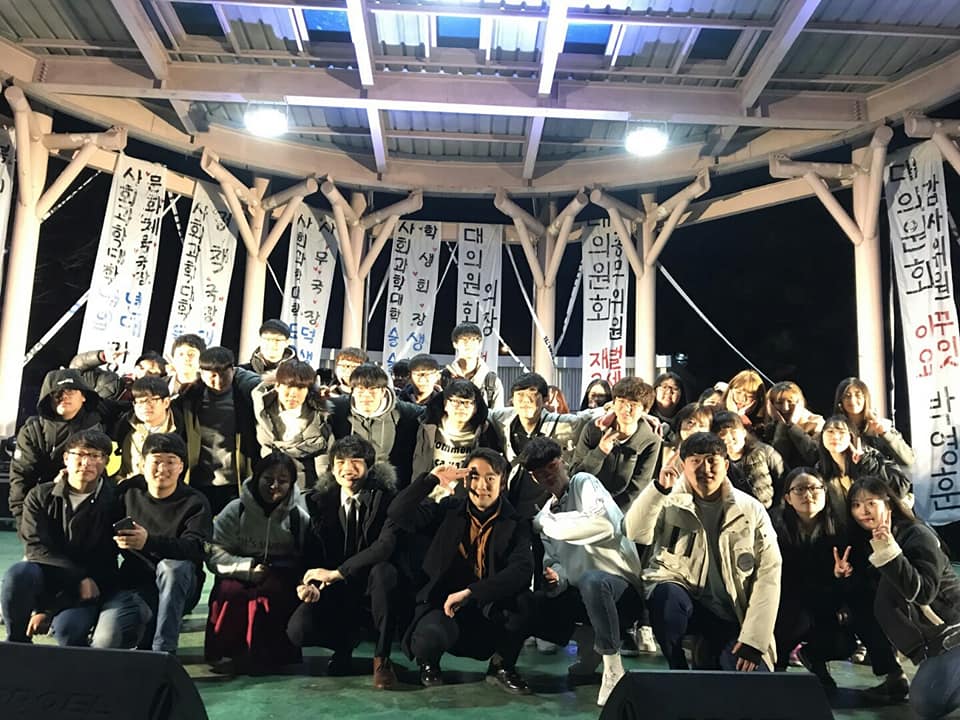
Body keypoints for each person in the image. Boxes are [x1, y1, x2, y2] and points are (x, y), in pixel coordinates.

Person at [625, 432, 782, 672]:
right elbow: (635, 532)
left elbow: (768, 575)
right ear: (683, 465)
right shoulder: (667, 500)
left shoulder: (751, 510)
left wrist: (754, 640)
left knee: (748, 680)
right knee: (666, 597)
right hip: (687, 600)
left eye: (712, 460)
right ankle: (678, 670)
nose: (705, 468)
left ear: (726, 465)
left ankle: (707, 652)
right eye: (696, 461)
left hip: (733, 612)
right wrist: (658, 489)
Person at [389, 448, 534, 693]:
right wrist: (430, 480)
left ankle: (502, 666)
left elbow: (522, 569)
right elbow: (398, 513)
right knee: (429, 638)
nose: (482, 485)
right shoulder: (447, 510)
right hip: (445, 607)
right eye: (474, 477)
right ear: (465, 481)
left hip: (488, 608)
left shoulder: (516, 522)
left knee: (526, 602)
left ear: (502, 483)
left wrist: (471, 593)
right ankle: (429, 664)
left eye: (490, 478)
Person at [522, 437, 644, 706]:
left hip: (622, 594)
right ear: (533, 478)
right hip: (586, 597)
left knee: (593, 581)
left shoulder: (584, 483)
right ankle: (590, 646)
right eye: (540, 473)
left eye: (552, 467)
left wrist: (548, 524)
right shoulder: (547, 513)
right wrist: (557, 578)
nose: (548, 476)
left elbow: (603, 526)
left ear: (563, 462)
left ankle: (613, 669)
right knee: (529, 605)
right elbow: (556, 562)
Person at [288, 436, 401, 689]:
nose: (347, 468)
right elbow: (310, 554)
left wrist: (338, 572)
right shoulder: (317, 502)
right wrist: (309, 585)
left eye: (356, 461)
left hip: (374, 586)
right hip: (335, 589)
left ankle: (382, 659)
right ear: (331, 467)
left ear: (369, 467)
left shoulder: (387, 499)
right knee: (298, 629)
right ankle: (343, 646)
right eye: (340, 462)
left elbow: (385, 547)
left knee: (385, 572)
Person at [849, 476, 960, 717]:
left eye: (870, 503)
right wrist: (845, 574)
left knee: (928, 703)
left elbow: (923, 593)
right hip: (929, 649)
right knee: (926, 704)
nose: (863, 511)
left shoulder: (918, 534)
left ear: (888, 503)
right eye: (856, 505)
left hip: (952, 635)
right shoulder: (871, 542)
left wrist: (890, 552)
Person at [1, 430, 120, 646]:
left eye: (95, 456)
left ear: (105, 462)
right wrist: (79, 577)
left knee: (68, 631)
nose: (87, 462)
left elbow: (106, 559)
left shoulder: (115, 502)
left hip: (88, 588)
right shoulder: (40, 495)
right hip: (48, 578)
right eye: (80, 454)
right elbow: (36, 548)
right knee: (18, 574)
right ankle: (16, 642)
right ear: (66, 458)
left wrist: (50, 611)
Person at [97, 433, 213, 654]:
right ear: (142, 464)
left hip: (180, 585)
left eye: (171, 462)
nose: (162, 469)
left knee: (172, 568)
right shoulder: (127, 492)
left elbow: (197, 549)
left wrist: (148, 542)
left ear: (181, 467)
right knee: (105, 641)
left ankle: (164, 652)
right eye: (156, 461)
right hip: (136, 583)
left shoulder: (195, 501)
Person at [205, 452, 308, 673]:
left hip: (281, 572)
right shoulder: (235, 510)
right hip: (239, 568)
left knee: (270, 595)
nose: (274, 486)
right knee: (231, 592)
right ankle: (229, 653)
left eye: (282, 481)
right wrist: (246, 568)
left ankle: (273, 657)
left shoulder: (299, 516)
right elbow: (214, 551)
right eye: (268, 479)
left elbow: (306, 556)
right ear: (257, 477)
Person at [771, 468, 856, 691]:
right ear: (787, 497)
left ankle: (814, 658)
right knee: (793, 620)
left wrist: (840, 577)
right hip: (785, 602)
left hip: (824, 600)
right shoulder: (773, 528)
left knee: (844, 643)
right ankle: (778, 664)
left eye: (814, 488)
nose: (808, 495)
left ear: (825, 492)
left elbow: (847, 582)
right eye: (799, 489)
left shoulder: (840, 529)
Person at [9, 369, 109, 532]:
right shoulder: (33, 430)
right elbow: (21, 477)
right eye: (57, 392)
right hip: (46, 507)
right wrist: (23, 522)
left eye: (70, 391)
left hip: (93, 510)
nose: (64, 397)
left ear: (84, 396)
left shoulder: (100, 424)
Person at [175, 346, 262, 515]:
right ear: (202, 373)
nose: (219, 380)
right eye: (213, 375)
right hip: (198, 481)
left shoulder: (246, 398)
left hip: (236, 481)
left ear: (233, 370)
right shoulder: (189, 400)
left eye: (224, 374)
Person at [571, 376, 662, 508]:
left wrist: (614, 514)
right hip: (585, 504)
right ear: (613, 403)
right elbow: (575, 475)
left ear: (645, 410)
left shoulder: (650, 440)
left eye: (634, 404)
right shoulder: (594, 429)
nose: (626, 409)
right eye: (621, 402)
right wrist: (600, 452)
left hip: (624, 511)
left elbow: (637, 489)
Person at [327, 363, 423, 489]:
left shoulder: (405, 413)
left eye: (372, 389)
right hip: (348, 482)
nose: (366, 396)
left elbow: (432, 413)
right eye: (360, 389)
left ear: (383, 391)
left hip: (390, 486)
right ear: (352, 391)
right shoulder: (338, 409)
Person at [253, 359, 331, 489]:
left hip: (306, 485)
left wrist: (323, 490)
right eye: (288, 386)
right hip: (269, 482)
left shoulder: (319, 417)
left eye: (300, 388)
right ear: (277, 386)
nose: (293, 395)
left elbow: (325, 457)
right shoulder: (261, 407)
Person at [816, 415, 912, 518]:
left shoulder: (870, 456)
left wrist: (865, 462)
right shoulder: (820, 469)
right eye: (830, 431)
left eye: (841, 432)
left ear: (851, 436)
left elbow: (900, 488)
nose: (835, 437)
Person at [411, 379, 502, 485]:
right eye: (455, 402)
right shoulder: (428, 427)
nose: (461, 407)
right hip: (429, 492)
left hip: (466, 494)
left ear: (475, 408)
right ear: (445, 404)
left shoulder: (485, 433)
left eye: (467, 403)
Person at [112, 375, 184, 482]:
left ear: (166, 402)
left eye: (152, 401)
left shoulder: (182, 429)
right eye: (140, 402)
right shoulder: (125, 426)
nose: (145, 406)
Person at [834, 377, 915, 467]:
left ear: (866, 398)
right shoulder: (834, 429)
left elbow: (908, 460)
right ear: (840, 401)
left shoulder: (880, 425)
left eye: (858, 395)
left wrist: (884, 434)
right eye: (847, 396)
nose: (852, 400)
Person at [712, 410, 784, 509]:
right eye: (722, 435)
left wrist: (777, 510)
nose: (729, 439)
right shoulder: (719, 465)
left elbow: (783, 481)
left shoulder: (765, 451)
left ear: (743, 432)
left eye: (733, 432)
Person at [761, 381, 824, 470]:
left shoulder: (816, 422)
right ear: (770, 405)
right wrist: (782, 426)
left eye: (790, 402)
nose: (785, 408)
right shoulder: (767, 428)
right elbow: (778, 461)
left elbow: (814, 456)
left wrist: (792, 426)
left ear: (800, 403)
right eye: (779, 402)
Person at [442, 322, 504, 409]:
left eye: (473, 340)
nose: (469, 344)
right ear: (455, 344)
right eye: (464, 340)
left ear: (480, 344)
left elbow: (497, 415)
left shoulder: (492, 382)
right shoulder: (443, 378)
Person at [69, 348, 167, 401]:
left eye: (151, 373)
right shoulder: (106, 380)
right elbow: (74, 370)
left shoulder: (157, 403)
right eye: (141, 367)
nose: (144, 373)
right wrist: (103, 356)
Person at [651, 371, 686, 441]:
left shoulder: (687, 418)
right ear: (655, 391)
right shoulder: (645, 416)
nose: (669, 392)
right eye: (664, 387)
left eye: (675, 388)